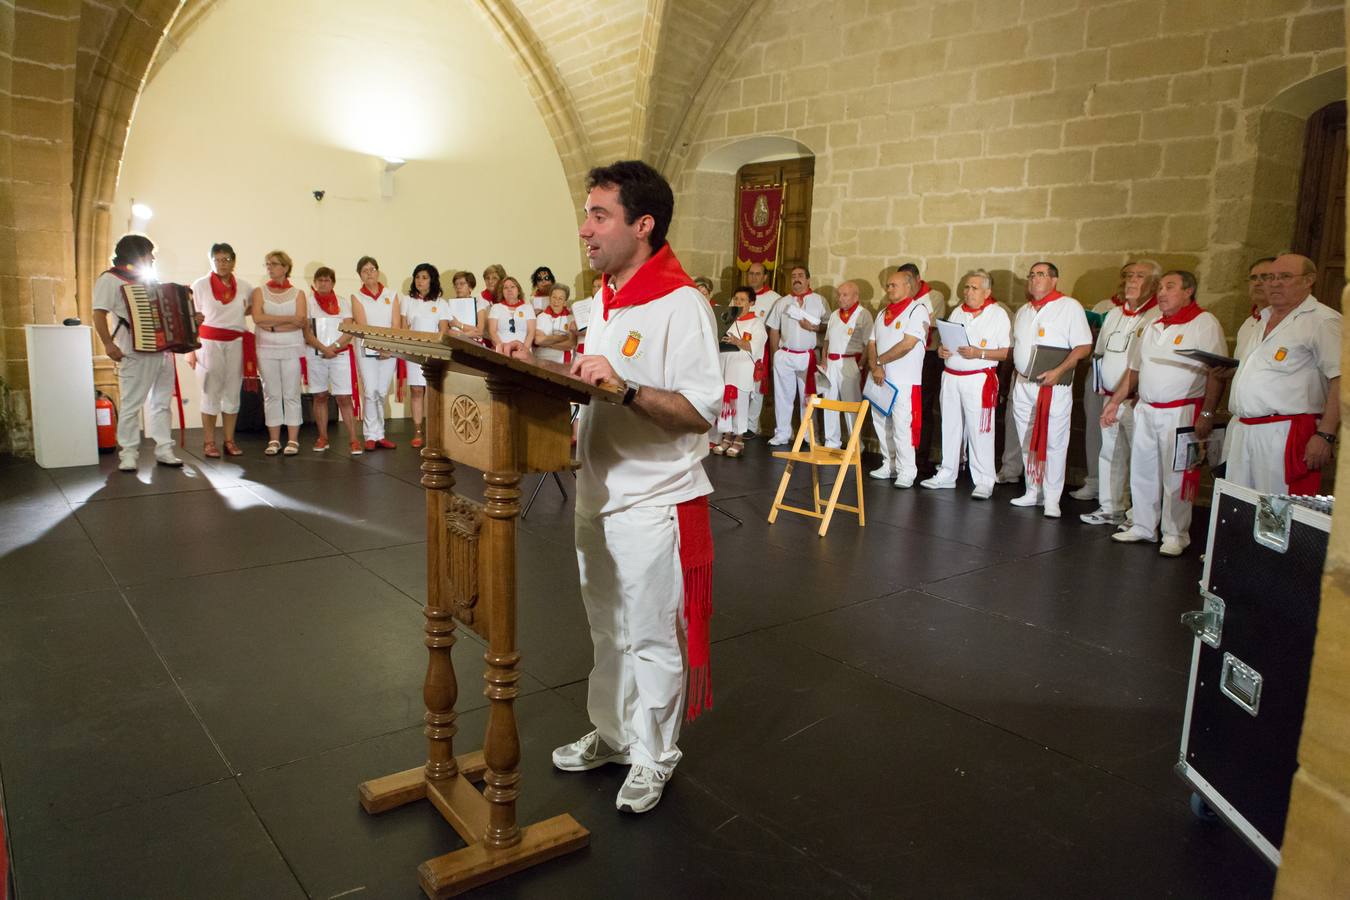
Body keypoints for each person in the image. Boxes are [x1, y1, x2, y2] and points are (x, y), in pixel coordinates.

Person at [503, 160, 721, 815]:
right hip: (598, 489)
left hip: (656, 496)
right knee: (606, 627)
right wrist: (533, 367)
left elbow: (699, 409)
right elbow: (587, 377)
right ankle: (614, 734)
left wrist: (624, 387)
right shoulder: (603, 297)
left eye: (600, 215)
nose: (585, 228)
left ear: (643, 224)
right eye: (587, 214)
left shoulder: (683, 303)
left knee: (652, 635)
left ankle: (655, 757)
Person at [1105, 271, 1227, 556]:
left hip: (1181, 411)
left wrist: (1207, 414)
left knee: (1177, 475)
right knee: (1143, 469)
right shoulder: (1153, 325)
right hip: (1146, 408)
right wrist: (1116, 401)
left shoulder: (1204, 323)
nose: (1161, 292)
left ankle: (1176, 533)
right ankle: (1144, 526)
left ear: (1188, 292)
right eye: (1159, 287)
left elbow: (1216, 372)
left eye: (1169, 287)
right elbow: (1134, 370)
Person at [1217, 253, 1341, 494]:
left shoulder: (1322, 321)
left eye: (1284, 277)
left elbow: (1341, 380)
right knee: (1236, 507)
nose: (1274, 283)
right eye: (1270, 277)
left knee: (1276, 513)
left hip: (1283, 433)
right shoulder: (1259, 321)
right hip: (1243, 430)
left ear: (1309, 280)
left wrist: (1325, 435)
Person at [1078, 260, 1162, 526]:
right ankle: (1110, 506)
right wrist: (1104, 392)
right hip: (1110, 396)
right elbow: (1101, 353)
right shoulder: (1114, 314)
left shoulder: (1157, 317)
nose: (1132, 281)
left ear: (1155, 284)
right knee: (1110, 453)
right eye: (1129, 276)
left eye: (1140, 276)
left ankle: (1139, 515)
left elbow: (1148, 361)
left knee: (1142, 460)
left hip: (1137, 400)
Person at [91, 234, 183, 472]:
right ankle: (128, 453)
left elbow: (165, 312)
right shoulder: (110, 279)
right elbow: (98, 314)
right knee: (132, 403)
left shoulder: (149, 279)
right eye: (149, 253)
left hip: (163, 351)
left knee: (162, 402)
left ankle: (164, 449)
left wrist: (189, 320)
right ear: (137, 253)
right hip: (133, 349)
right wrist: (108, 345)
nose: (152, 257)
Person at [1008, 261, 1092, 518]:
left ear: (1054, 280)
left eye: (1041, 275)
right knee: (1026, 438)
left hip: (1052, 385)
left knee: (1054, 441)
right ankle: (1033, 490)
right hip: (1024, 383)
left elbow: (1083, 346)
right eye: (1032, 275)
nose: (1035, 279)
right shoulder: (1023, 310)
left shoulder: (1069, 307)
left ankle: (1052, 497)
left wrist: (1059, 370)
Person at [922, 269, 1011, 499]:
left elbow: (1004, 352)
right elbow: (948, 340)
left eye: (974, 288)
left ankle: (984, 480)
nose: (968, 292)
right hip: (951, 376)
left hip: (977, 378)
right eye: (966, 287)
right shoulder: (957, 312)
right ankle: (947, 473)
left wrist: (978, 353)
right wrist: (942, 350)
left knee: (979, 430)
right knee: (950, 426)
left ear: (987, 291)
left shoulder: (997, 314)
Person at [187, 242, 252, 458]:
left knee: (233, 392)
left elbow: (252, 308)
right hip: (208, 343)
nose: (222, 264)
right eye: (217, 259)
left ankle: (229, 441)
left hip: (235, 342)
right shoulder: (200, 285)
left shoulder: (244, 286)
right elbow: (190, 317)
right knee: (210, 391)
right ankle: (208, 442)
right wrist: (190, 347)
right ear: (211, 261)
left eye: (226, 259)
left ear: (234, 261)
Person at [867, 269, 931, 487]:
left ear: (908, 285)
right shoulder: (882, 312)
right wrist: (876, 367)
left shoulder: (917, 310)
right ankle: (889, 463)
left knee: (902, 425)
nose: (889, 289)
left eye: (894, 285)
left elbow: (907, 344)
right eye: (888, 285)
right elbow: (872, 343)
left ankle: (907, 470)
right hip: (880, 378)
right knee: (881, 422)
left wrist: (879, 363)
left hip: (904, 379)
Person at [250, 250, 307, 456]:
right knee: (271, 394)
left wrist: (271, 323)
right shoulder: (259, 292)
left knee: (291, 393)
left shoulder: (298, 293)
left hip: (291, 347)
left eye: (274, 264)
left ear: (285, 267)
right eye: (267, 264)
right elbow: (257, 318)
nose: (270, 268)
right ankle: (274, 440)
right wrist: (287, 321)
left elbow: (300, 320)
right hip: (266, 348)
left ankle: (293, 440)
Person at [766, 265, 827, 446]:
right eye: (793, 276)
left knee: (808, 397)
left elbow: (828, 326)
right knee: (782, 397)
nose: (796, 279)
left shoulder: (820, 301)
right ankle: (782, 433)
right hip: (785, 354)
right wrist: (775, 356)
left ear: (808, 279)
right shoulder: (782, 302)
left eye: (801, 275)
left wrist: (814, 327)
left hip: (807, 356)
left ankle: (809, 435)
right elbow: (774, 330)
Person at [303, 266, 361, 454]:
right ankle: (323, 438)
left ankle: (353, 439)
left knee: (344, 397)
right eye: (320, 280)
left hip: (339, 354)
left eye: (327, 280)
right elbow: (307, 332)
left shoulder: (343, 303)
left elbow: (349, 330)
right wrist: (323, 349)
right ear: (315, 283)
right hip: (315, 354)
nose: (323, 283)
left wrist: (334, 348)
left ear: (333, 282)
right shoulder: (308, 303)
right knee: (319, 396)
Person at [898, 262, 947, 479]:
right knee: (902, 407)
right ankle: (901, 456)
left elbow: (929, 325)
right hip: (902, 356)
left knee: (923, 408)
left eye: (909, 279)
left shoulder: (933, 297)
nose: (905, 284)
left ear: (917, 279)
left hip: (926, 357)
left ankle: (921, 457)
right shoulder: (899, 299)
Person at [352, 255, 403, 451]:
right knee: (370, 391)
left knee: (382, 392)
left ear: (378, 271)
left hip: (389, 348)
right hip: (367, 348)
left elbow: (396, 324)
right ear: (360, 276)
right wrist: (378, 348)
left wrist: (388, 348)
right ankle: (370, 435)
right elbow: (363, 326)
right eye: (365, 271)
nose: (369, 273)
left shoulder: (392, 294)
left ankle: (380, 434)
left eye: (372, 269)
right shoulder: (357, 296)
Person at [714, 285, 768, 457]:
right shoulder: (726, 319)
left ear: (751, 303)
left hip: (743, 368)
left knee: (740, 404)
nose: (738, 302)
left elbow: (755, 346)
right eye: (736, 299)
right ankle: (726, 436)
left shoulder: (757, 323)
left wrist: (737, 341)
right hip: (725, 366)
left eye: (743, 300)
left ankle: (738, 439)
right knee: (726, 403)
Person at [819, 280, 872, 450]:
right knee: (829, 402)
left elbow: (869, 344)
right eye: (839, 294)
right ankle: (831, 442)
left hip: (849, 362)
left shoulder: (863, 315)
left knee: (851, 404)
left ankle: (856, 444)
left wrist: (861, 365)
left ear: (855, 296)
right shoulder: (834, 315)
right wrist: (823, 360)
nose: (840, 298)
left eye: (844, 295)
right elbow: (826, 340)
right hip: (831, 363)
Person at [400, 263, 449, 448]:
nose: (420, 281)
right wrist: (408, 347)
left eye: (425, 277)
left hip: (435, 352)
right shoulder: (407, 300)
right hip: (414, 352)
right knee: (417, 390)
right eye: (417, 277)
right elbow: (404, 328)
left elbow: (443, 329)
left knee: (434, 392)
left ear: (432, 280)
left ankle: (436, 430)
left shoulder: (441, 303)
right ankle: (418, 430)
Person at [744, 261, 779, 434]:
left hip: (761, 349)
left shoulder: (774, 298)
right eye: (751, 273)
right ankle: (740, 425)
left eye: (758, 274)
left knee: (757, 388)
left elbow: (776, 327)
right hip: (741, 348)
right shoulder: (741, 295)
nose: (753, 277)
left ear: (765, 277)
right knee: (742, 386)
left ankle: (751, 426)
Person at [486, 275, 536, 349]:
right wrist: (503, 349)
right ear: (502, 292)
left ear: (518, 291)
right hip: (502, 352)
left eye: (512, 287)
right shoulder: (496, 307)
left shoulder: (528, 308)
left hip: (524, 352)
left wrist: (523, 350)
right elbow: (492, 332)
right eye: (505, 288)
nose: (509, 290)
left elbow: (531, 333)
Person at [534, 284, 576, 364]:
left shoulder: (571, 318)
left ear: (565, 302)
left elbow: (570, 345)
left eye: (560, 298)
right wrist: (562, 338)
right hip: (541, 359)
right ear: (550, 298)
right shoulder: (541, 316)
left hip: (562, 361)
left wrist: (546, 342)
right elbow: (538, 340)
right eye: (554, 297)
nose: (556, 301)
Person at [442, 270, 488, 342]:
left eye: (462, 284)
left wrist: (458, 324)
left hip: (475, 344)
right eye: (456, 284)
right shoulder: (448, 305)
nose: (458, 287)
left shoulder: (478, 303)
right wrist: (466, 335)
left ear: (470, 287)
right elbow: (447, 331)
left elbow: (479, 331)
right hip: (454, 342)